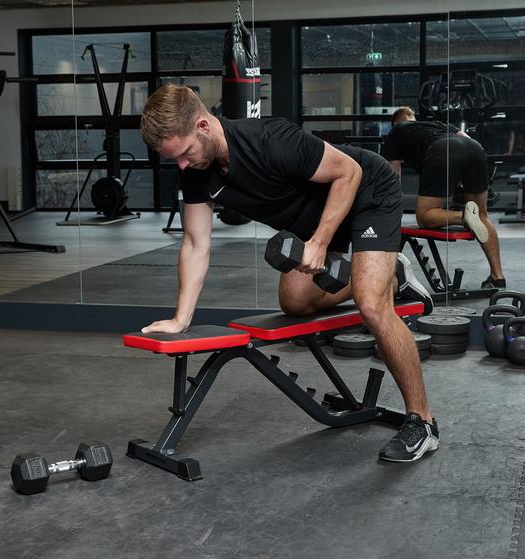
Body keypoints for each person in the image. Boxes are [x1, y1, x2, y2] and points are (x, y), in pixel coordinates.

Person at [139, 84, 439, 463]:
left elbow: (348, 172)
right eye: (174, 160)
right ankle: (389, 275)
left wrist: (319, 242)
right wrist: (181, 318)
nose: (181, 165)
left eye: (184, 154)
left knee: (371, 305)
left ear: (202, 125)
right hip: (316, 219)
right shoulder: (195, 170)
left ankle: (423, 423)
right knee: (295, 301)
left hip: (366, 191)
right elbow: (196, 243)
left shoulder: (270, 139)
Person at [382, 106, 506, 289]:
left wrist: (388, 211)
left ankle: (463, 216)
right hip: (475, 148)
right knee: (481, 215)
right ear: (413, 118)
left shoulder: (395, 132)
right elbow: (466, 140)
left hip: (443, 149)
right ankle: (498, 277)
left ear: (395, 122)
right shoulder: (438, 124)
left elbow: (394, 177)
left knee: (424, 216)